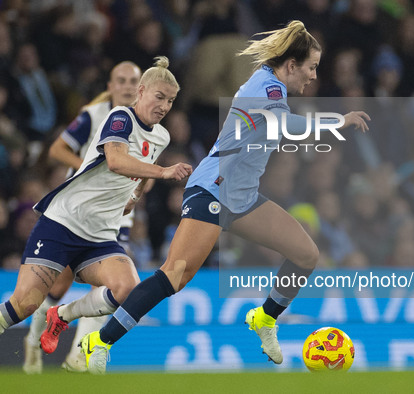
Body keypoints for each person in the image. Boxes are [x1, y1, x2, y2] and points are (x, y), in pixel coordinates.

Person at [74, 21, 370, 374]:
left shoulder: (272, 86)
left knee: (306, 254)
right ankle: (99, 342)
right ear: (291, 66)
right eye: (311, 67)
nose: (314, 75)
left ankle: (264, 318)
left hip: (242, 198)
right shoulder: (267, 88)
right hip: (212, 189)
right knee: (174, 277)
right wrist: (339, 121)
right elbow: (288, 128)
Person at [0, 57, 192, 374]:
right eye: (159, 96)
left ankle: (62, 316)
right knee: (25, 304)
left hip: (100, 235)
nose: (165, 105)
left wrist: (134, 196)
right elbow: (114, 160)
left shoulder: (161, 137)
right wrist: (163, 171)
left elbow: (136, 178)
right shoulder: (120, 117)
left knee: (128, 287)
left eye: (170, 100)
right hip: (63, 223)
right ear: (141, 92)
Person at [22, 61, 142, 374]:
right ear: (111, 85)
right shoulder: (95, 115)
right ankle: (33, 343)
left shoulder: (149, 125)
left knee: (110, 288)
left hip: (115, 217)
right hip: (77, 213)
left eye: (134, 81)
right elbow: (57, 149)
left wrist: (138, 191)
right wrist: (89, 167)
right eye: (122, 80)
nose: (128, 86)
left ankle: (78, 359)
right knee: (57, 286)